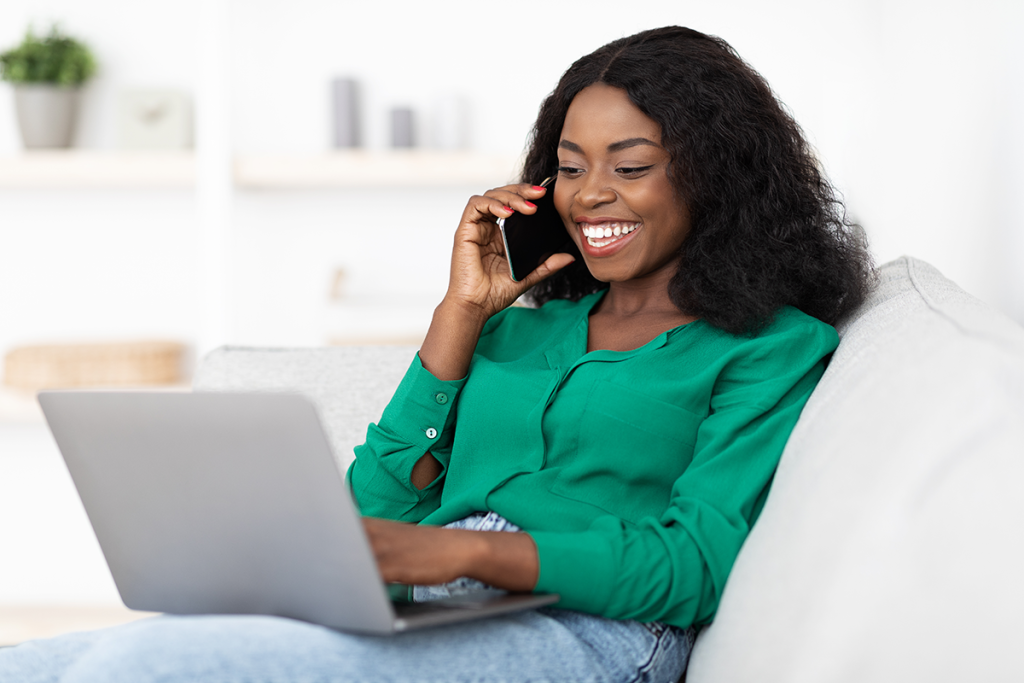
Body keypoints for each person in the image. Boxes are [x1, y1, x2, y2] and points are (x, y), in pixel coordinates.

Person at [0, 25, 871, 683]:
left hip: (596, 627)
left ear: (713, 174)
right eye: (569, 167)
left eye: (629, 165)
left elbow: (695, 564)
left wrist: (464, 553)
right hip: (437, 606)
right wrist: (458, 315)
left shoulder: (772, 346)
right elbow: (369, 505)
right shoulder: (518, 327)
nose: (590, 193)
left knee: (147, 666)